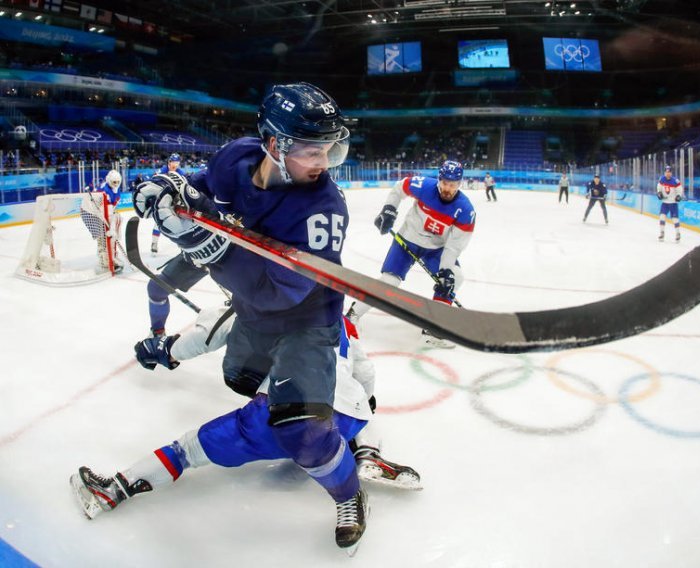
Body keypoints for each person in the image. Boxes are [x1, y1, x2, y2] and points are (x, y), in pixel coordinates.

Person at [128, 82, 367, 552]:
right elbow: (196, 192)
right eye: (313, 151)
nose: (324, 163)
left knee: (304, 432)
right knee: (239, 378)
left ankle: (350, 492)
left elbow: (280, 294)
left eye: (330, 150)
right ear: (274, 144)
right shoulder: (235, 157)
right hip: (253, 309)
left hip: (307, 318)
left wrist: (203, 245)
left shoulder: (323, 208)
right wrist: (169, 196)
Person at [130, 305, 422, 489]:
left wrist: (166, 350)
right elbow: (366, 373)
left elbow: (209, 336)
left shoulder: (268, 302)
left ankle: (119, 487)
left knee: (186, 451)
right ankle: (367, 453)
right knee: (360, 408)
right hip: (344, 420)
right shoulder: (343, 324)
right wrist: (366, 402)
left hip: (277, 414)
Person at [346, 160, 476, 349]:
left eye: (453, 184)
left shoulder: (466, 210)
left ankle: (433, 329)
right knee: (389, 281)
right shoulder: (424, 186)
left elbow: (454, 247)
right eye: (445, 183)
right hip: (407, 240)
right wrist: (389, 209)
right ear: (439, 180)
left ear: (460, 183)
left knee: (454, 277)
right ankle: (352, 314)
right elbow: (400, 188)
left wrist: (445, 271)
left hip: (436, 249)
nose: (448, 188)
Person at [80, 169, 124, 273]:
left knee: (108, 233)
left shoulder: (116, 190)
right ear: (109, 180)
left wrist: (112, 227)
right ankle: (104, 260)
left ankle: (110, 256)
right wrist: (111, 227)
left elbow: (111, 209)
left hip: (99, 211)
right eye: (114, 182)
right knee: (102, 236)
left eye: (118, 182)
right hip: (89, 212)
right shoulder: (104, 191)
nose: (116, 184)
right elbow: (105, 211)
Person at [150, 154, 187, 254]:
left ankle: (184, 247)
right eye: (173, 163)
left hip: (175, 201)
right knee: (158, 223)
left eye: (177, 163)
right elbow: (153, 181)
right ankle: (154, 243)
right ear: (169, 162)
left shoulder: (181, 173)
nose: (175, 165)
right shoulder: (162, 171)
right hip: (162, 201)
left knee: (178, 225)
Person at [656, 166, 683, 242]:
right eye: (666, 172)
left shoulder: (676, 181)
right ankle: (662, 233)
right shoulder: (662, 179)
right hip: (665, 203)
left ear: (671, 173)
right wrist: (659, 193)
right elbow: (659, 187)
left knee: (674, 219)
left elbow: (679, 190)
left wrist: (678, 196)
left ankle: (678, 233)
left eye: (669, 172)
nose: (668, 173)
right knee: (662, 217)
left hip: (673, 203)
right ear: (665, 172)